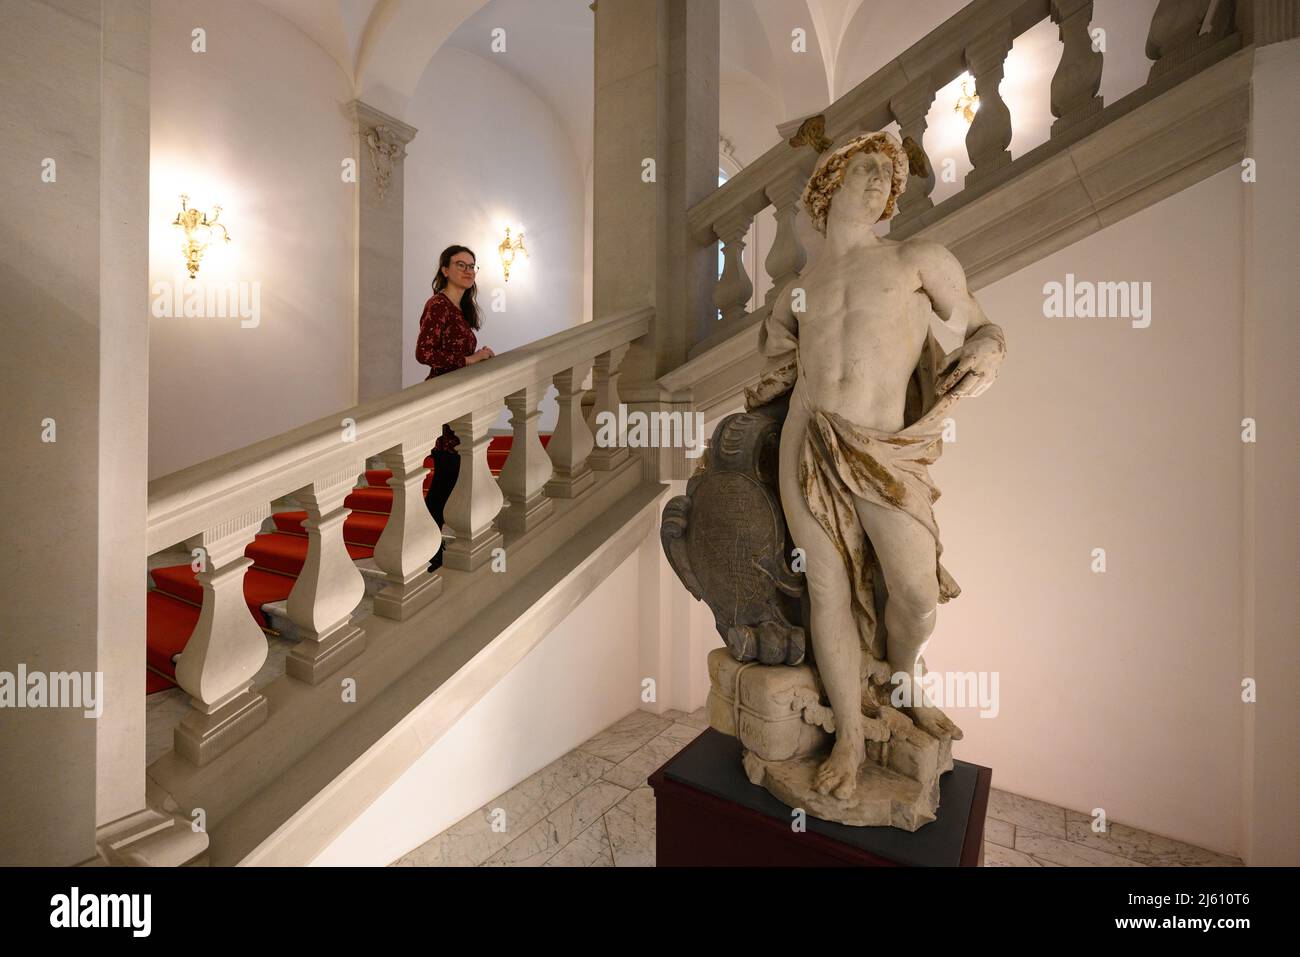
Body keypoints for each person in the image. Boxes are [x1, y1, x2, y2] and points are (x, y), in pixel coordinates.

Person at [756, 130, 1006, 800]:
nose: (881, 186)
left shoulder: (915, 259)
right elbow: (782, 366)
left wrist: (986, 352)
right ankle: (849, 739)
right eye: (868, 170)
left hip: (887, 450)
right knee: (827, 589)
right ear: (829, 183)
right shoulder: (795, 292)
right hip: (807, 445)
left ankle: (902, 678)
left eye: (889, 180)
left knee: (917, 594)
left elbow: (984, 327)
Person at [416, 245, 495, 570]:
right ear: (445, 270)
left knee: (451, 477)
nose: (468, 270)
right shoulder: (438, 305)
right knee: (446, 476)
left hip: (461, 402)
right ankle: (426, 552)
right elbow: (424, 354)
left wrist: (481, 361)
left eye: (472, 266)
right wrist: (469, 359)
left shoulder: (462, 310)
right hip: (445, 400)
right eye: (460, 264)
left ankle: (430, 550)